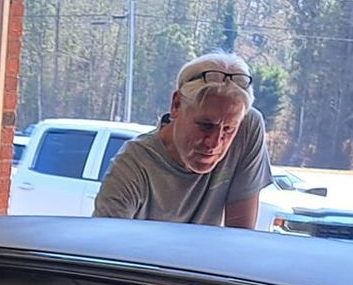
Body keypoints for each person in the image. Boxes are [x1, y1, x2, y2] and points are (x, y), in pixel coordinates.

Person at [92, 53, 272, 227]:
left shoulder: (247, 125)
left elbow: (240, 238)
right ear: (176, 105)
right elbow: (103, 245)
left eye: (228, 129)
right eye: (205, 125)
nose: (214, 143)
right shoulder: (133, 165)